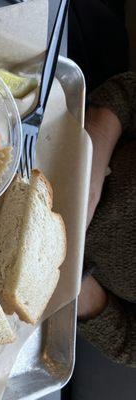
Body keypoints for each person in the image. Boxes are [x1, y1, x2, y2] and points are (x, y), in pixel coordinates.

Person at [77, 72, 136, 367]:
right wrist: (89, 182)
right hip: (66, 147)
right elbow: (128, 93)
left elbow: (128, 342)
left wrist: (71, 277)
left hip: (60, 274)